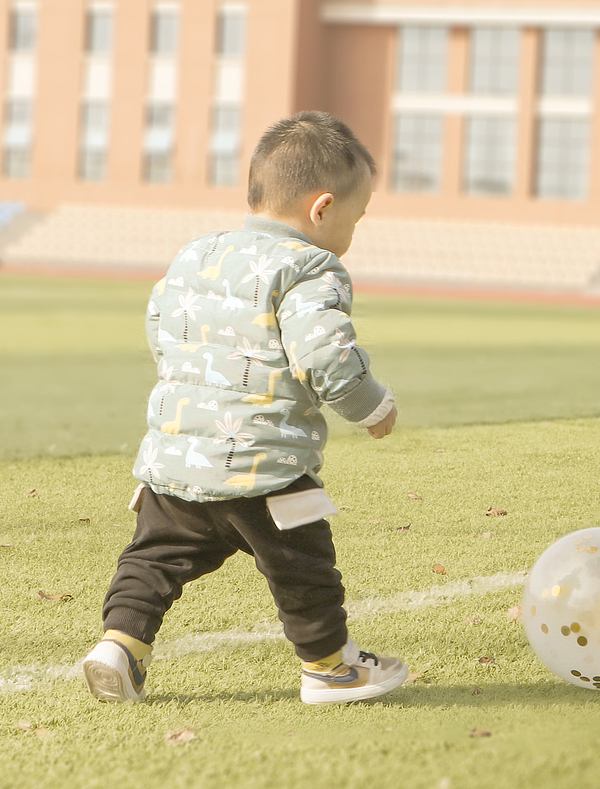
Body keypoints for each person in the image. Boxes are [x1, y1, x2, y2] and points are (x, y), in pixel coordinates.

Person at [82, 111, 405, 706]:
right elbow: (325, 354)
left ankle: (120, 647)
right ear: (322, 208)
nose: (351, 235)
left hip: (177, 456)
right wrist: (370, 405)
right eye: (355, 220)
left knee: (151, 559)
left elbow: (160, 329)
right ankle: (331, 668)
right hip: (265, 465)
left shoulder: (195, 255)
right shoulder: (312, 266)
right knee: (303, 568)